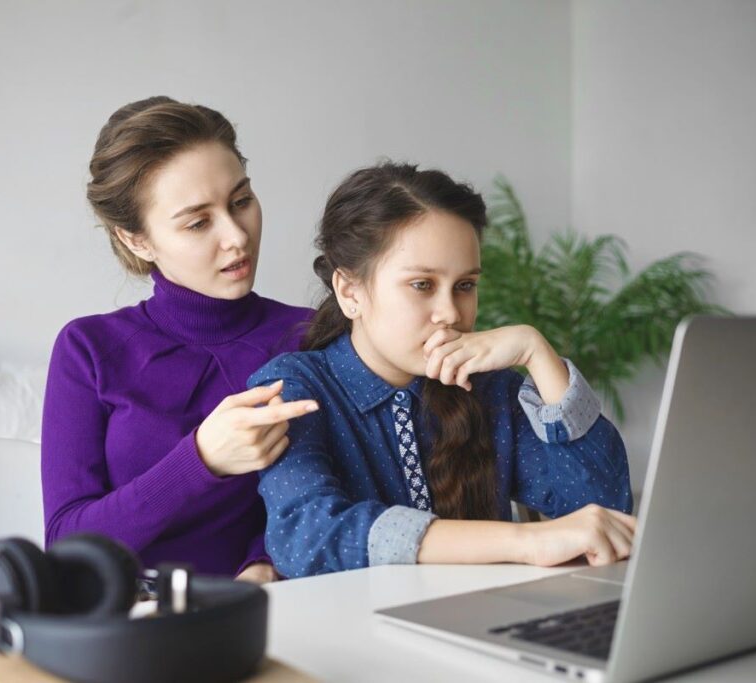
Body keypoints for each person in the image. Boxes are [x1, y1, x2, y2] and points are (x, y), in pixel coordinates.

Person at [248, 162, 635, 578]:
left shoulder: (491, 389)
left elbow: (604, 509)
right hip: (353, 636)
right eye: (422, 285)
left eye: (465, 285)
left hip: (481, 625)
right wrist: (525, 541)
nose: (451, 313)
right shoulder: (294, 389)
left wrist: (537, 352)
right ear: (350, 291)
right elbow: (311, 537)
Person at [41, 97, 319, 583]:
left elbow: (334, 495)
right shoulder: (88, 349)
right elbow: (67, 546)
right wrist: (201, 459)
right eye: (197, 222)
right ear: (136, 239)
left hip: (280, 605)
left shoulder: (309, 337)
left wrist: (264, 564)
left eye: (241, 202)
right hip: (133, 621)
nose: (236, 236)